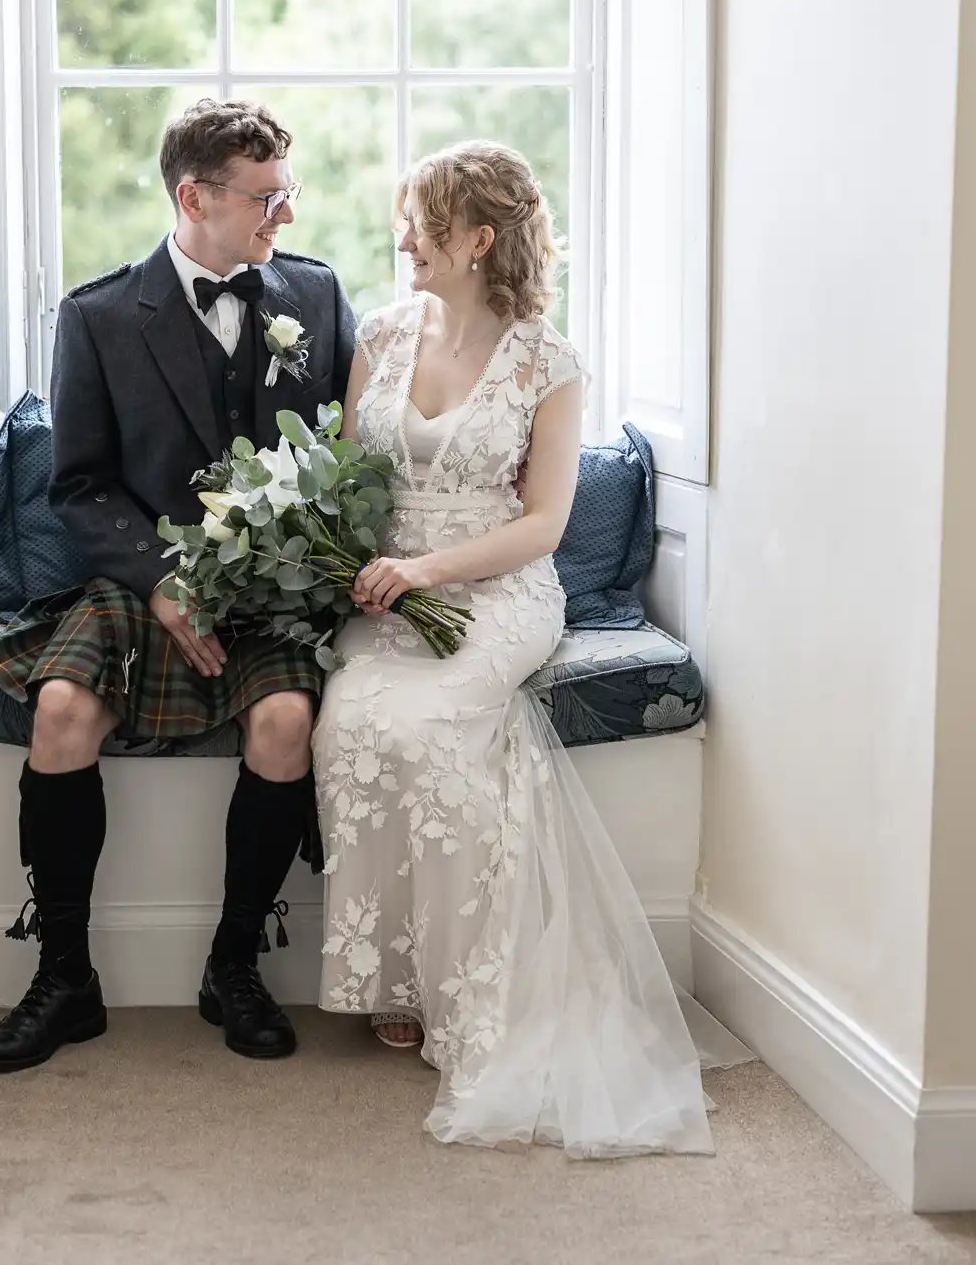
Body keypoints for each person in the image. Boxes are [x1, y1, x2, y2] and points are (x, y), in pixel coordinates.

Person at [313, 141, 746, 1157]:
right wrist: (348, 557)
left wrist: (429, 572)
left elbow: (545, 521)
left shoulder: (546, 360)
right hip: (383, 593)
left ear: (477, 237)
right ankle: (396, 978)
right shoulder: (377, 334)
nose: (403, 235)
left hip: (497, 591)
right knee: (352, 725)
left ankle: (474, 995)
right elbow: (342, 475)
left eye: (422, 218)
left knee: (434, 727)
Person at [0, 99, 355, 1072]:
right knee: (59, 710)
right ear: (193, 197)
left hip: (271, 588)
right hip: (141, 583)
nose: (286, 219)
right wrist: (163, 582)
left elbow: (347, 454)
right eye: (266, 199)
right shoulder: (97, 316)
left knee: (282, 726)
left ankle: (231, 964)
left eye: (286, 193)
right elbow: (80, 486)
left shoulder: (312, 296)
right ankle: (64, 976)